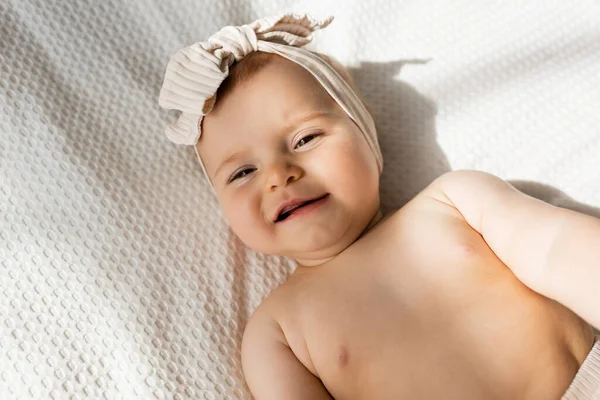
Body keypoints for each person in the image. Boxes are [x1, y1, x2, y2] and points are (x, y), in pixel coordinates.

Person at [158, 13, 600, 399]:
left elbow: (558, 249)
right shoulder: (277, 333)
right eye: (242, 173)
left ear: (366, 136)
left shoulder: (457, 201)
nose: (279, 175)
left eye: (305, 139)